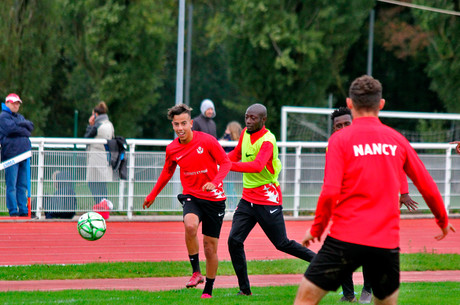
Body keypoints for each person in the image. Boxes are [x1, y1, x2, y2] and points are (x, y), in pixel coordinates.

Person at [294, 75, 456, 305]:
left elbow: (330, 191)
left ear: (350, 104)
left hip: (344, 239)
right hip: (384, 243)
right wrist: (441, 219)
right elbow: (427, 185)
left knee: (304, 300)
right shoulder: (397, 140)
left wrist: (317, 228)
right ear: (381, 104)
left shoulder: (339, 140)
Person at [143, 104, 231, 299]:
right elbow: (167, 173)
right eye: (176, 124)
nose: (180, 128)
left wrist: (215, 183)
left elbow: (226, 163)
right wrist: (152, 195)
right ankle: (196, 272)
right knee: (190, 226)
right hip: (192, 196)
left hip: (215, 199)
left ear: (191, 123)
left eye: (184, 123)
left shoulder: (207, 141)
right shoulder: (172, 149)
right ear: (172, 125)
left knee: (210, 247)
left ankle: (208, 289)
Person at [227, 103, 316, 296]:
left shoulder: (268, 140)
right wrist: (218, 160)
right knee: (234, 240)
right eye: (247, 117)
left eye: (254, 118)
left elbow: (258, 166)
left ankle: (323, 264)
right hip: (247, 199)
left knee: (282, 243)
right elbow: (235, 155)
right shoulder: (244, 133)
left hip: (267, 199)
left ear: (263, 120)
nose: (249, 121)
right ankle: (244, 291)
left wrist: (228, 167)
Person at [0, 93, 34, 216]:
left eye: (18, 103)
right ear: (7, 103)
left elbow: (30, 127)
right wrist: (22, 127)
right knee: (11, 185)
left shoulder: (19, 117)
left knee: (22, 185)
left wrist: (19, 127)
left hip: (24, 155)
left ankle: (23, 210)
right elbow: (10, 130)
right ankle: (13, 210)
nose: (16, 105)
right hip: (11, 155)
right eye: (14, 103)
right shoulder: (3, 116)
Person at [84, 101, 114, 204]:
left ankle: (100, 205)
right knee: (102, 185)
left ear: (95, 115)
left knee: (92, 183)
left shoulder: (97, 126)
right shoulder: (109, 124)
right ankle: (104, 206)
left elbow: (86, 138)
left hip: (95, 158)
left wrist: (90, 125)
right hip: (105, 157)